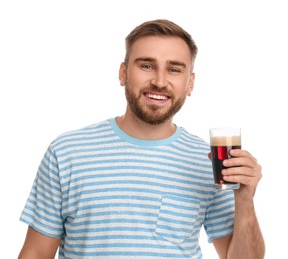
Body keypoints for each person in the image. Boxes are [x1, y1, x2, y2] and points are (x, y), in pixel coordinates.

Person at [18, 19, 265, 259]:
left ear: (190, 84)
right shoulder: (66, 153)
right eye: (146, 66)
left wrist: (244, 200)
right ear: (123, 73)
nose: (159, 81)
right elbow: (36, 253)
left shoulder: (208, 161)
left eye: (174, 69)